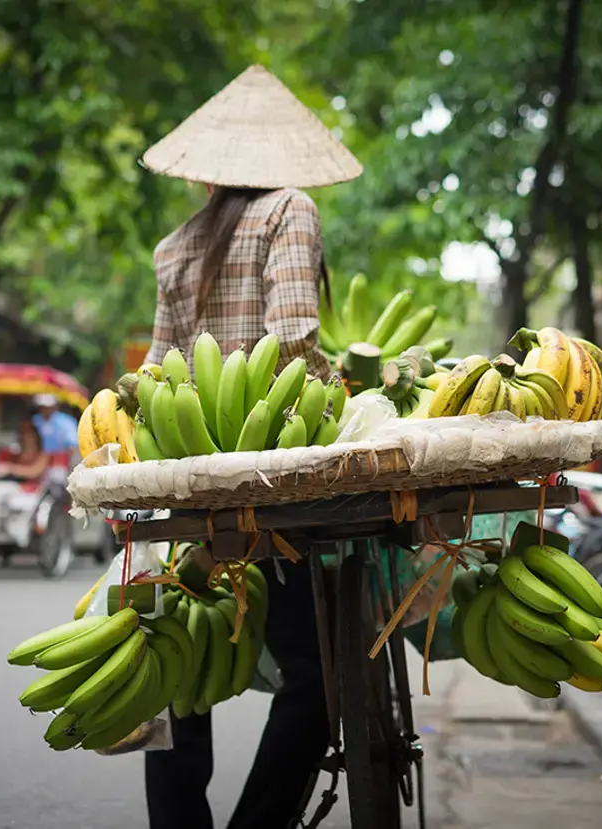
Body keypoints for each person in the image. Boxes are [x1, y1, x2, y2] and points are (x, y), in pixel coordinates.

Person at [139, 64, 362, 829]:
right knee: (317, 672)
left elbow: (155, 372)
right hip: (272, 473)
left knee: (177, 664)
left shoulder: (173, 248)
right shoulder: (289, 210)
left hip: (193, 475)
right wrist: (345, 396)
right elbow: (294, 338)